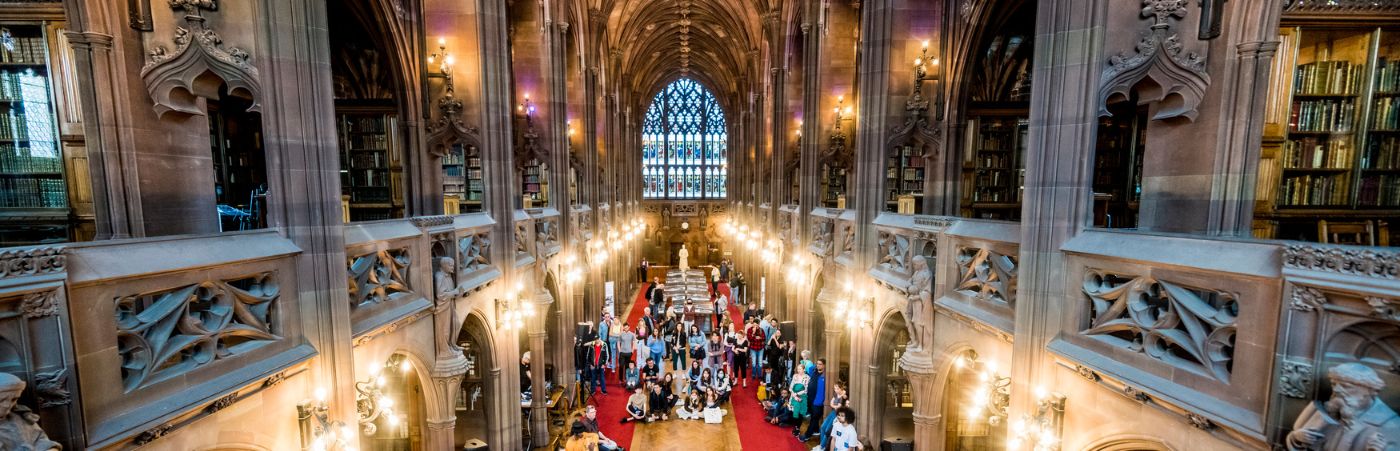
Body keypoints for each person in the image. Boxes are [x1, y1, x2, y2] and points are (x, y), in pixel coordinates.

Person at [1288, 362, 1400, 450]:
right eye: (1334, 384)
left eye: (1346, 386)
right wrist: (1296, 439)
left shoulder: (1391, 424)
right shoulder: (1329, 411)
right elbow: (1299, 441)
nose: (1336, 390)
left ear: (1370, 391)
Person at [0, 372, 58, 451]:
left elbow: (41, 441)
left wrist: (50, 449)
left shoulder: (21, 418)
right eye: (1, 400)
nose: (7, 405)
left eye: (14, 399)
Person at [815, 384, 850, 451]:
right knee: (822, 427)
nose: (835, 390)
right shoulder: (835, 394)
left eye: (837, 388)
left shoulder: (844, 396)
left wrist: (834, 405)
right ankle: (822, 446)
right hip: (833, 412)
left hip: (837, 415)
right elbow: (831, 403)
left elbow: (838, 406)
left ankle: (822, 447)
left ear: (841, 388)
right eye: (834, 388)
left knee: (827, 431)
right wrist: (834, 406)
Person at [800, 359, 828, 441]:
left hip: (818, 401)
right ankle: (816, 430)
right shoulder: (814, 372)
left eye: (820, 364)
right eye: (817, 364)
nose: (818, 365)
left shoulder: (825, 375)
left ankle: (807, 435)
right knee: (813, 415)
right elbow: (810, 368)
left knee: (814, 418)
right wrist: (815, 366)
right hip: (811, 398)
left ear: (824, 365)